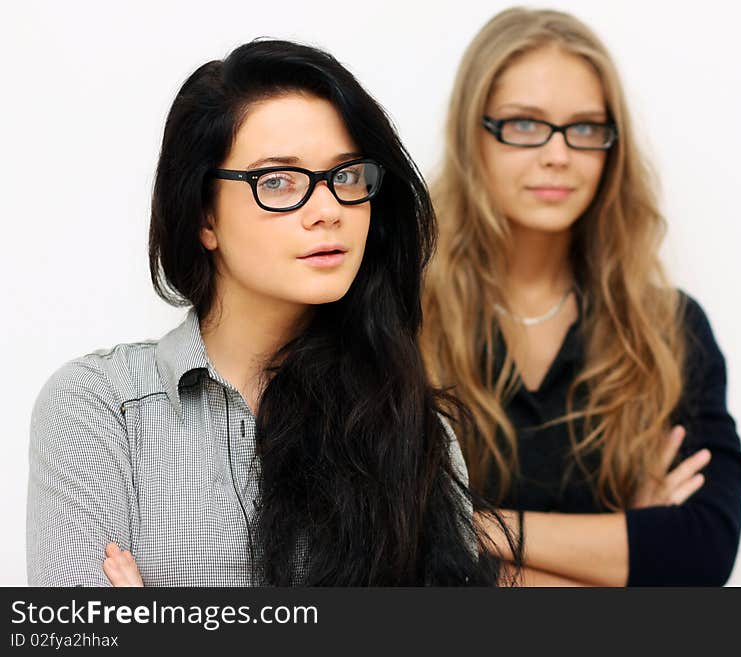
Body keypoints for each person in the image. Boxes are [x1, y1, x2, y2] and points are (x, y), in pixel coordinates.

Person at [27, 39, 503, 587]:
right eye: (277, 181)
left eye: (346, 176)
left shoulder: (415, 428)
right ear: (204, 216)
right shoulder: (101, 410)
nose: (327, 210)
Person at [421, 7, 741, 586]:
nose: (558, 153)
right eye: (524, 124)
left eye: (584, 128)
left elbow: (702, 552)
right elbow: (388, 553)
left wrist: (471, 526)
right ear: (472, 133)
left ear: (611, 147)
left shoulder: (668, 328)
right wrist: (626, 547)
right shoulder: (399, 317)